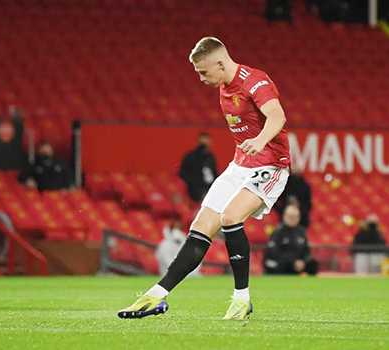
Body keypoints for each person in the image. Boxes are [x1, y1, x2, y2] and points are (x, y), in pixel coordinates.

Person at [119, 37, 291, 321]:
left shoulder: (256, 82)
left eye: (203, 72)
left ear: (221, 64)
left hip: (271, 165)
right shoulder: (224, 86)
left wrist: (261, 140)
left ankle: (241, 301)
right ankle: (157, 296)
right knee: (201, 226)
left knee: (230, 217)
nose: (201, 78)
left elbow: (277, 116)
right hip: (239, 165)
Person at [263, 205, 318, 275]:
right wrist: (292, 261)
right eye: (290, 217)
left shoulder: (301, 232)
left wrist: (302, 261)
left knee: (313, 264)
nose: (293, 219)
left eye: (295, 217)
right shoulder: (278, 231)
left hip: (298, 263)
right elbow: (273, 252)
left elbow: (306, 251)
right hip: (283, 263)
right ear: (284, 216)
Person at [179, 132, 218, 202]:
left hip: (210, 188)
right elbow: (182, 172)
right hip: (196, 190)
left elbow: (214, 172)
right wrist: (193, 182)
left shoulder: (211, 157)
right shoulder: (191, 156)